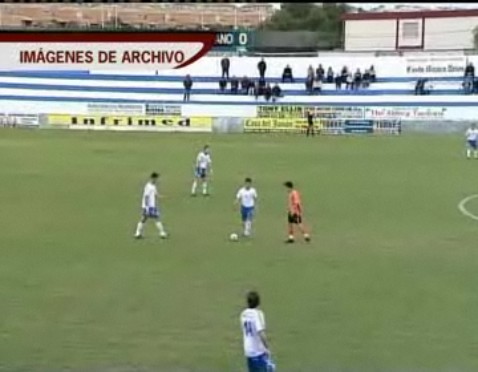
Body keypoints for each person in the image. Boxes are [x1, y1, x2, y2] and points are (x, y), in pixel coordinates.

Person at [240, 291, 275, 372]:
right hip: (258, 352)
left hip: (248, 351)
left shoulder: (243, 314)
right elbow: (261, 332)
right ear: (258, 302)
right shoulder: (258, 314)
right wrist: (267, 348)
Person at [134, 172, 167, 239]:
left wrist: (161, 197)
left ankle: (137, 233)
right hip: (150, 206)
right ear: (152, 178)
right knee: (156, 218)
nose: (156, 180)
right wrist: (146, 207)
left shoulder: (153, 186)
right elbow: (146, 196)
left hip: (151, 206)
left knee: (144, 219)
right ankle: (162, 233)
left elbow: (155, 195)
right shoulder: (148, 186)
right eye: (156, 179)